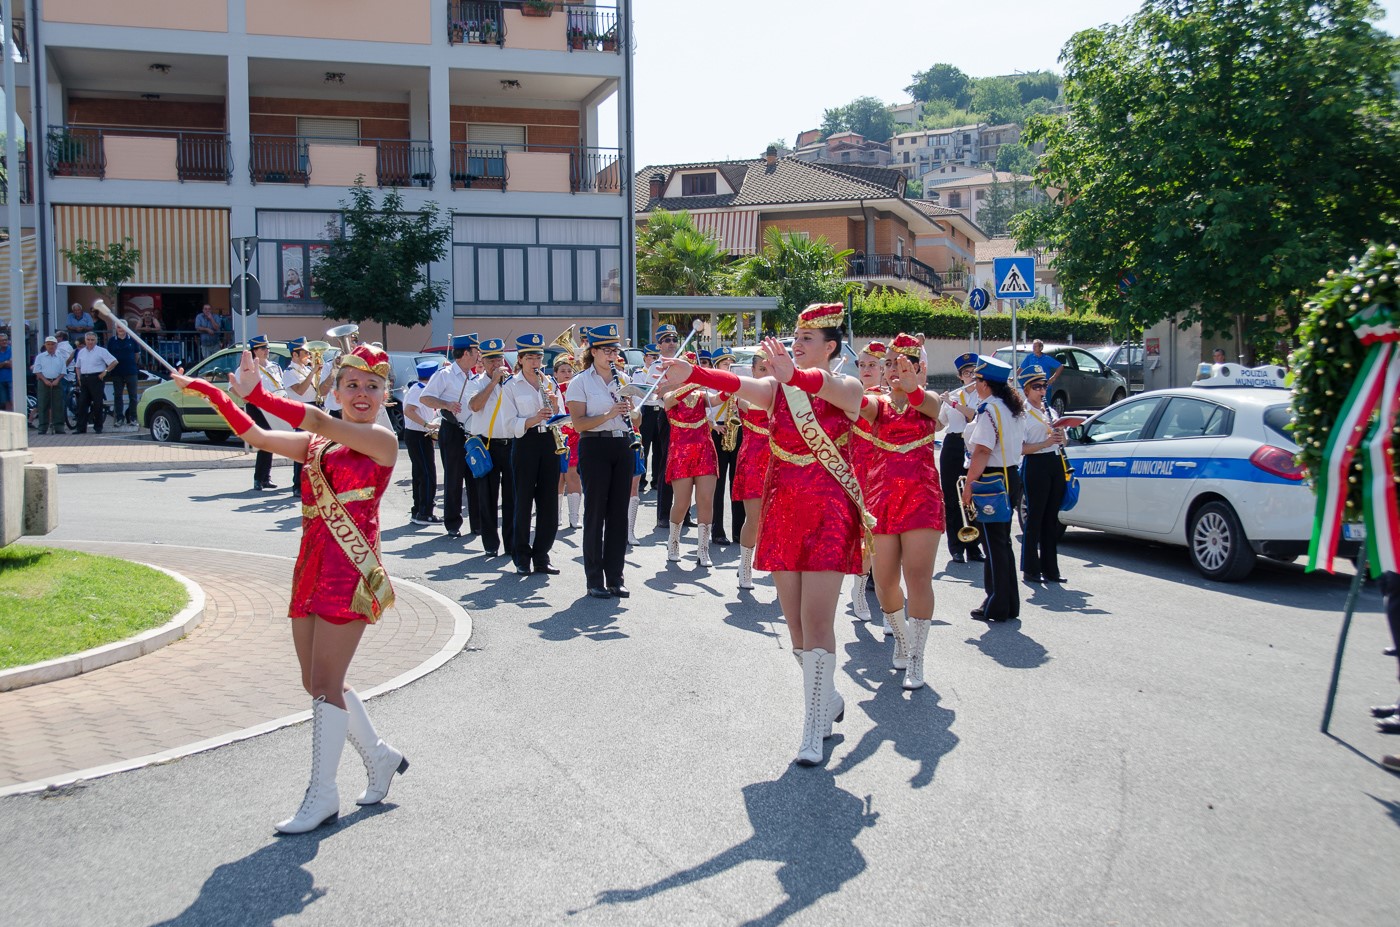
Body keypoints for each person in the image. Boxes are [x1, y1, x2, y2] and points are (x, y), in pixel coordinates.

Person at [173, 343, 408, 834]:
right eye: (352, 384)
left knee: (325, 685)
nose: (362, 393)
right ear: (336, 390)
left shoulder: (382, 441)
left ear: (385, 394)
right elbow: (256, 436)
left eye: (372, 386)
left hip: (350, 570)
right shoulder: (318, 446)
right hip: (311, 566)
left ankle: (322, 794)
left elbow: (316, 420)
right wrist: (211, 393)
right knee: (317, 683)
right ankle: (380, 756)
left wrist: (258, 392)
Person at [659, 303, 866, 767]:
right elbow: (737, 384)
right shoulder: (776, 389)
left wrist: (795, 374)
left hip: (829, 514)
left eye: (807, 338)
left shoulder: (847, 387)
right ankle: (827, 697)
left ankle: (812, 727)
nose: (797, 343)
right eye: (796, 336)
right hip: (785, 509)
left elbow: (823, 386)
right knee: (795, 628)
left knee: (817, 622)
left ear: (831, 347)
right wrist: (693, 373)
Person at [857, 333, 944, 689]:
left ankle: (917, 658)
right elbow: (859, 405)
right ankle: (903, 640)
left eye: (904, 364)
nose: (894, 369)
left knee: (919, 578)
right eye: (890, 363)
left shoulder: (931, 401)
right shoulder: (877, 404)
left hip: (922, 499)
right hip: (881, 499)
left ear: (920, 368)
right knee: (885, 581)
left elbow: (933, 409)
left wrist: (912, 387)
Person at [566, 324, 636, 599]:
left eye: (615, 351)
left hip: (622, 444)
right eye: (606, 350)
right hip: (594, 445)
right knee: (595, 512)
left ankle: (616, 577)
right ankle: (594, 579)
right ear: (593, 351)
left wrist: (632, 410)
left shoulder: (624, 379)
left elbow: (637, 420)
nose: (612, 356)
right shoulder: (580, 382)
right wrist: (608, 414)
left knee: (618, 513)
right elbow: (578, 423)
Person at [960, 356, 1026, 622]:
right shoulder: (1011, 408)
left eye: (977, 380)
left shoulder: (989, 410)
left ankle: (997, 603)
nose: (975, 385)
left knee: (993, 544)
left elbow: (982, 451)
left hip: (992, 478)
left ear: (986, 384)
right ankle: (1007, 603)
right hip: (1010, 474)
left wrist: (969, 486)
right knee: (1002, 542)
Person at [502, 334, 563, 576]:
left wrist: (555, 408)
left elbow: (562, 416)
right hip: (525, 442)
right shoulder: (511, 386)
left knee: (548, 502)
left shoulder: (549, 383)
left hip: (549, 441)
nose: (535, 362)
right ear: (520, 359)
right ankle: (521, 555)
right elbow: (508, 424)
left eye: (538, 357)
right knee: (523, 500)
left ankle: (541, 555)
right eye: (530, 358)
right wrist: (534, 418)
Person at [419, 334, 482, 540]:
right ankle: (453, 523)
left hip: (472, 431)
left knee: (475, 477)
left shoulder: (473, 376)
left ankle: (477, 523)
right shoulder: (444, 374)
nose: (479, 355)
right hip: (453, 430)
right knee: (454, 478)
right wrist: (446, 404)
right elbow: (425, 397)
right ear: (466, 353)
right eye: (476, 351)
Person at [663, 348, 722, 566]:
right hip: (681, 453)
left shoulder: (701, 396)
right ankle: (673, 541)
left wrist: (730, 389)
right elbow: (670, 401)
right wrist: (696, 381)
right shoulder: (668, 393)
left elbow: (716, 399)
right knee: (682, 502)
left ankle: (703, 549)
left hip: (704, 450)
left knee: (706, 500)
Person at [849, 341, 888, 625]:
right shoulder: (850, 395)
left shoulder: (894, 399)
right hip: (858, 472)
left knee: (888, 539)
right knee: (865, 536)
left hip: (887, 473)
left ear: (884, 368)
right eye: (862, 365)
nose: (866, 370)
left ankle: (889, 605)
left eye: (872, 365)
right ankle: (859, 590)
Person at [1019, 365, 1068, 584]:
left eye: (1044, 386)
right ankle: (1030, 569)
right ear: (1027, 390)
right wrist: (1045, 443)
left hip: (1055, 462)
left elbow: (1063, 441)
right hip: (1036, 464)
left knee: (1051, 518)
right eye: (1037, 387)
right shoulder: (1022, 414)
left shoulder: (1051, 412)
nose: (1042, 391)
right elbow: (1020, 448)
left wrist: (1061, 434)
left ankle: (1051, 569)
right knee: (1035, 517)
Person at [730, 349, 774, 590]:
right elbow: (758, 406)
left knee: (781, 521)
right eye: (762, 369)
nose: (767, 374)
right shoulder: (745, 395)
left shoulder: (784, 395)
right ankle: (745, 565)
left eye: (771, 369)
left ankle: (779, 567)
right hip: (754, 461)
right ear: (753, 371)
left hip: (781, 462)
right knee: (755, 519)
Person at [469, 339, 516, 559]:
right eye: (491, 361)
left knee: (512, 497)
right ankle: (490, 543)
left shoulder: (513, 383)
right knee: (487, 497)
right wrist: (493, 382)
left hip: (511, 443)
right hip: (487, 445)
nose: (496, 364)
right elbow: (475, 405)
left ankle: (511, 543)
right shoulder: (476, 382)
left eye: (499, 359)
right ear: (483, 362)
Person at [636, 324, 681, 527]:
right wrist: (675, 386)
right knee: (666, 463)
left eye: (674, 339)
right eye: (667, 340)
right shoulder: (657, 366)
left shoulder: (683, 363)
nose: (672, 343)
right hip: (668, 414)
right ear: (659, 345)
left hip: (689, 417)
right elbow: (653, 394)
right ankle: (663, 513)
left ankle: (683, 514)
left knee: (684, 466)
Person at [939, 353, 982, 563]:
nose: (970, 376)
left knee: (973, 495)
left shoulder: (983, 395)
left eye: (974, 372)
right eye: (966, 373)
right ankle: (956, 546)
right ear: (960, 376)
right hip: (953, 445)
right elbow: (940, 423)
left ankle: (974, 546)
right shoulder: (953, 396)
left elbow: (973, 415)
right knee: (952, 497)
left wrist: (953, 404)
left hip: (974, 445)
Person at [709, 347, 744, 548]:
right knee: (718, 484)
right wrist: (713, 425)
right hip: (718, 431)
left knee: (737, 483)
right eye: (725, 363)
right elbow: (703, 411)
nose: (729, 366)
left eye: (731, 363)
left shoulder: (739, 384)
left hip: (736, 431)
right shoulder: (710, 385)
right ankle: (717, 530)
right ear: (716, 366)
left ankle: (739, 531)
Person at [403, 361, 441, 526]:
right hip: (418, 434)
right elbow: (408, 410)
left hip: (419, 434)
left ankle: (418, 510)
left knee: (420, 473)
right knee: (426, 474)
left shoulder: (419, 388)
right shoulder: (419, 389)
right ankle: (425, 513)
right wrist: (427, 424)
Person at [282, 338, 322, 494]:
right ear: (295, 355)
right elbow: (300, 390)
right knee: (302, 448)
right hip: (301, 409)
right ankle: (298, 485)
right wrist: (313, 372)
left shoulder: (306, 369)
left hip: (314, 406)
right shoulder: (289, 372)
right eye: (305, 353)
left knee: (314, 448)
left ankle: (311, 483)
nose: (309, 356)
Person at [245, 335, 284, 491]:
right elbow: (233, 387)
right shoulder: (248, 367)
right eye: (263, 348)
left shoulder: (275, 367)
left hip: (273, 406)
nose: (267, 351)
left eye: (267, 348)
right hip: (257, 408)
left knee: (271, 442)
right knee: (264, 441)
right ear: (255, 351)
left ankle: (266, 477)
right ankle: (258, 478)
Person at [554, 356, 583, 529]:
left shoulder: (577, 388)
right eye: (562, 371)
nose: (566, 374)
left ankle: (574, 516)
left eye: (569, 371)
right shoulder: (551, 389)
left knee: (573, 475)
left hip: (575, 436)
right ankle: (556, 515)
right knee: (558, 477)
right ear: (555, 374)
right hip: (557, 437)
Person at [73, 332, 117, 434]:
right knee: (82, 403)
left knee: (97, 403)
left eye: (92, 340)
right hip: (84, 378)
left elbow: (114, 362)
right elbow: (77, 366)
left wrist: (105, 372)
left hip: (96, 378)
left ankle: (98, 427)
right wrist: (79, 377)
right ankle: (81, 428)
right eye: (88, 340)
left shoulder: (101, 351)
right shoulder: (81, 352)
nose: (90, 342)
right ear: (85, 340)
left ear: (96, 340)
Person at [633, 343, 660, 491]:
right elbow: (639, 394)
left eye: (657, 356)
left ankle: (657, 480)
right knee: (644, 447)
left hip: (659, 410)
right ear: (645, 358)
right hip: (646, 412)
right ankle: (641, 480)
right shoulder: (639, 373)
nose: (655, 359)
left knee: (659, 448)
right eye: (652, 356)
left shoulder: (662, 372)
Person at [106, 324, 140, 430]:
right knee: (118, 396)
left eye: (122, 327)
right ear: (116, 329)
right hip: (117, 372)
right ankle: (119, 418)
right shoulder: (112, 341)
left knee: (133, 396)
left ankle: (133, 418)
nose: (120, 329)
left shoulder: (132, 340)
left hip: (131, 372)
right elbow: (108, 356)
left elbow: (137, 355)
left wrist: (131, 364)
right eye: (119, 327)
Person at [32, 336, 68, 434]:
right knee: (43, 404)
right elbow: (37, 370)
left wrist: (57, 380)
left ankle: (59, 427)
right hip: (43, 382)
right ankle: (42, 427)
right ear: (45, 345)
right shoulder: (40, 357)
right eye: (48, 344)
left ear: (56, 345)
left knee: (58, 405)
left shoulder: (60, 357)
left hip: (57, 381)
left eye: (52, 344)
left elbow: (63, 371)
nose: (50, 346)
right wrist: (44, 380)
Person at [0, 332, 11, 412]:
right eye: (2, 340)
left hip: (11, 379)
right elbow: (8, 363)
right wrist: (6, 362)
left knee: (13, 400)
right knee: (5, 402)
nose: (4, 342)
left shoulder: (12, 350)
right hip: (1, 380)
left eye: (5, 340)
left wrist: (2, 364)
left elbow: (12, 364)